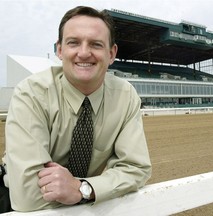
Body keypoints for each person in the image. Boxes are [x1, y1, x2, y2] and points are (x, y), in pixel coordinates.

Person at [2, 6, 151, 212]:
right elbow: (28, 196)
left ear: (111, 53)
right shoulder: (31, 93)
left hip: (83, 199)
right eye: (73, 43)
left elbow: (136, 169)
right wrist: (99, 188)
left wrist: (83, 189)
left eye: (95, 44)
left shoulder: (125, 97)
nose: (83, 53)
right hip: (13, 202)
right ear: (60, 50)